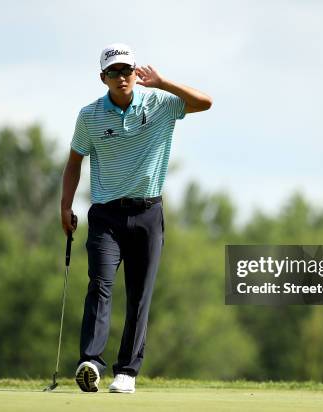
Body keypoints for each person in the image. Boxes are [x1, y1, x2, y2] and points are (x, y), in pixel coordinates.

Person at [60, 43, 212, 393]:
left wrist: (162, 82)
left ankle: (127, 371)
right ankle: (91, 363)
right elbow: (74, 160)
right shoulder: (89, 116)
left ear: (134, 72)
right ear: (103, 78)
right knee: (100, 285)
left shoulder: (159, 104)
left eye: (126, 70)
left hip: (148, 213)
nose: (122, 77)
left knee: (139, 295)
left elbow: (205, 102)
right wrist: (65, 206)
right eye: (113, 72)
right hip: (105, 217)